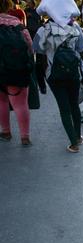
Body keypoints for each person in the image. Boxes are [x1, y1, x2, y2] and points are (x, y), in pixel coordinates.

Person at [33, 15, 83, 153]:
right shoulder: (75, 27)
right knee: (74, 105)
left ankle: (73, 144)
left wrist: (41, 82)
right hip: (73, 72)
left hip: (54, 75)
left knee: (64, 109)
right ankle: (78, 137)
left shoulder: (43, 30)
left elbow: (39, 57)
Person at [0, 0, 33, 146]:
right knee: (20, 104)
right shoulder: (17, 22)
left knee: (1, 101)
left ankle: (6, 132)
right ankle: (25, 137)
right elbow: (30, 46)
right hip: (17, 68)